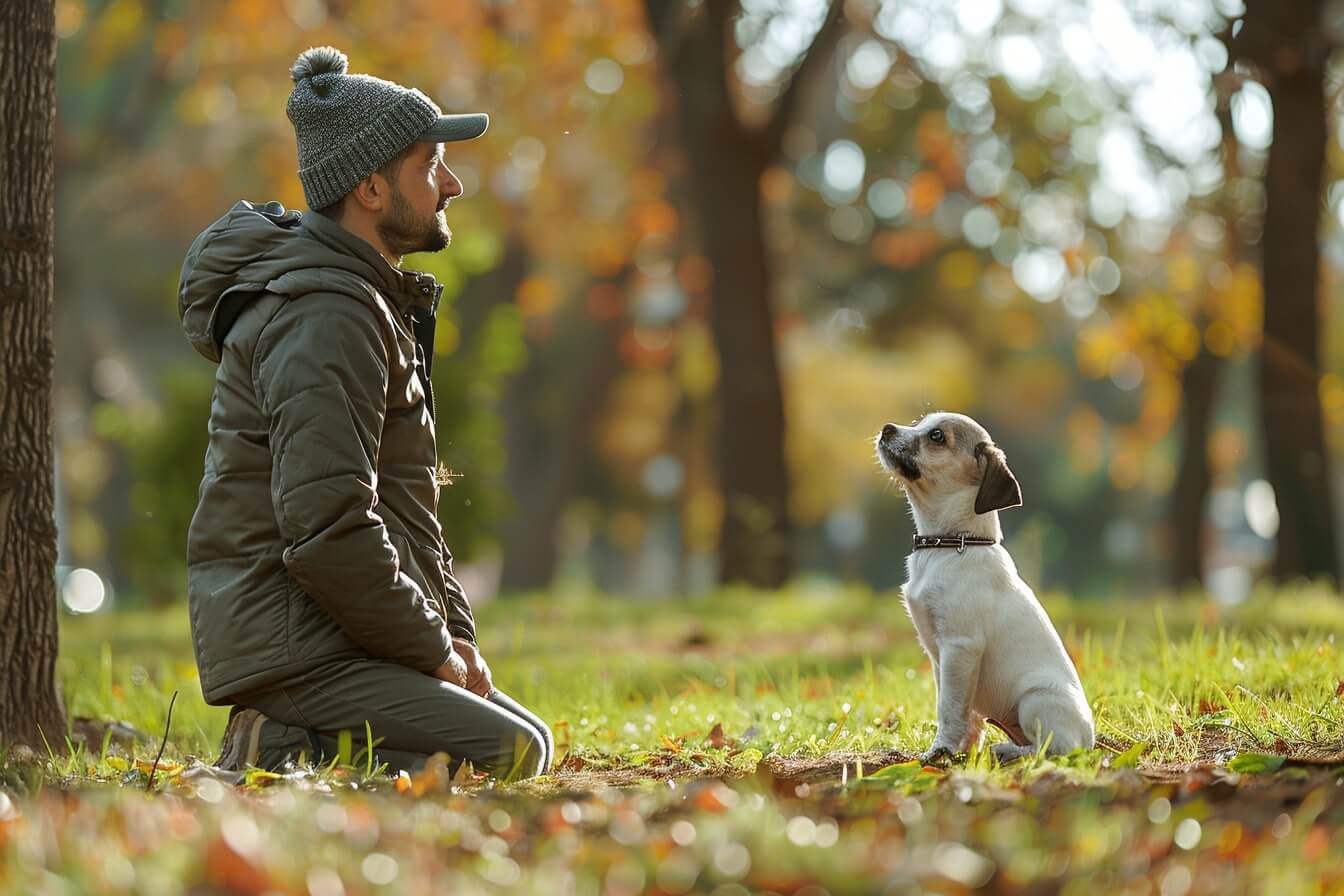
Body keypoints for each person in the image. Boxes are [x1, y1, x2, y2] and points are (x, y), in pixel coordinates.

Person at [176, 46, 551, 780]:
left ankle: (300, 739)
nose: (453, 183)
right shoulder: (326, 314)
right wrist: (431, 652)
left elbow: (405, 508)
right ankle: (282, 744)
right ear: (372, 188)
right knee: (513, 754)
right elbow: (328, 528)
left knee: (523, 734)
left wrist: (452, 636)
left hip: (336, 632)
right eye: (430, 164)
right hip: (302, 648)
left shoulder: (361, 299)